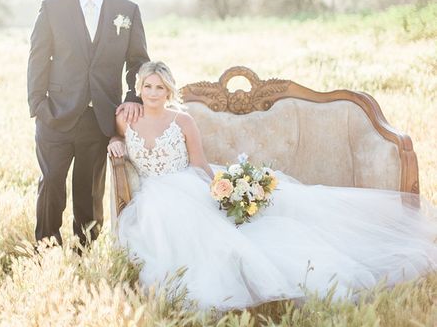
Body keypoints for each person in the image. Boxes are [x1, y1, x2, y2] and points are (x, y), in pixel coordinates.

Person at [108, 61, 437, 311]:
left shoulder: (182, 120)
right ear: (138, 88)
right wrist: (114, 142)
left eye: (160, 88)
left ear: (169, 91)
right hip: (152, 192)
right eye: (148, 87)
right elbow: (117, 140)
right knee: (160, 223)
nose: (152, 93)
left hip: (186, 185)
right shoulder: (127, 117)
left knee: (234, 235)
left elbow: (199, 163)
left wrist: (222, 191)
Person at [28, 0, 149, 247]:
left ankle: (85, 249)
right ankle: (47, 248)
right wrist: (38, 106)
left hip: (100, 117)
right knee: (52, 182)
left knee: (89, 189)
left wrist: (132, 99)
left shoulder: (127, 11)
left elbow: (138, 62)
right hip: (55, 114)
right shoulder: (53, 8)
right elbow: (38, 59)